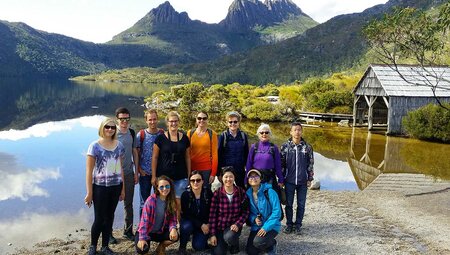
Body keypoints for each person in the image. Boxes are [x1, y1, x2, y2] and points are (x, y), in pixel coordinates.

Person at [85, 118, 125, 255]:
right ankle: (92, 246)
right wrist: (89, 193)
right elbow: (89, 172)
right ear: (102, 128)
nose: (110, 129)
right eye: (107, 127)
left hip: (115, 187)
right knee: (99, 218)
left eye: (113, 127)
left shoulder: (119, 145)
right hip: (100, 187)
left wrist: (123, 189)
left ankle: (105, 246)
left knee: (110, 217)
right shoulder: (94, 146)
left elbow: (120, 168)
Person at [152, 111, 190, 220]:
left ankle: (177, 226)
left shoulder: (184, 138)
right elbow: (154, 157)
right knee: (164, 202)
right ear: (167, 123)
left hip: (180, 176)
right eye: (171, 121)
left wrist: (188, 175)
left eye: (176, 121)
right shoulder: (160, 138)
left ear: (179, 122)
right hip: (164, 177)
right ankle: (164, 226)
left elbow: (187, 157)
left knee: (178, 203)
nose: (173, 123)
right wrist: (154, 176)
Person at [280, 122, 314, 235]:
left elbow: (310, 163)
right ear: (291, 132)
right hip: (289, 181)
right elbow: (282, 164)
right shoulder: (285, 147)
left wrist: (310, 178)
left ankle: (298, 224)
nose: (297, 132)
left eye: (299, 130)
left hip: (302, 181)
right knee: (288, 204)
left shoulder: (307, 147)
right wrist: (281, 179)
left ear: (301, 131)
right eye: (295, 130)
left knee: (301, 204)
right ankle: (289, 224)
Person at [209, 166, 249, 255]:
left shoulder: (240, 192)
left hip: (234, 226)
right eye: (226, 177)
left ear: (234, 177)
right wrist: (212, 234)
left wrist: (238, 224)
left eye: (231, 176)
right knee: (218, 253)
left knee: (230, 237)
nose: (228, 179)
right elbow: (212, 216)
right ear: (221, 178)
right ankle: (224, 241)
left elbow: (246, 211)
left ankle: (234, 243)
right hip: (220, 227)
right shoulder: (217, 193)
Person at [135, 175, 179, 255]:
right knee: (142, 250)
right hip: (148, 231)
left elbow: (173, 219)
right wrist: (142, 238)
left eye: (167, 186)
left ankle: (161, 246)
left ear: (170, 187)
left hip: (160, 231)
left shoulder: (172, 200)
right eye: (161, 187)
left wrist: (173, 228)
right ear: (157, 188)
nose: (165, 189)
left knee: (175, 237)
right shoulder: (150, 201)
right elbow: (144, 221)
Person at [114, 107, 139, 242]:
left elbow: (135, 151)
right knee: (110, 205)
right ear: (117, 119)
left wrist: (136, 172)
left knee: (128, 204)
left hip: (129, 173)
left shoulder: (131, 132)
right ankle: (109, 234)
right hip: (114, 175)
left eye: (127, 118)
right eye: (122, 119)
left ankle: (128, 231)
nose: (124, 121)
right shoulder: (111, 132)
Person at [245, 169, 281, 255]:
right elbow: (248, 212)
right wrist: (254, 219)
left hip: (271, 226)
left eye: (256, 176)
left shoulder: (270, 192)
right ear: (248, 179)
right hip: (256, 226)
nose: (253, 178)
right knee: (251, 251)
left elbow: (277, 212)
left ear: (261, 179)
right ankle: (263, 244)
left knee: (258, 242)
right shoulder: (248, 193)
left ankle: (272, 244)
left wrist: (266, 227)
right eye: (251, 176)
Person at [178, 171, 213, 255]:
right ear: (189, 182)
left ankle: (202, 240)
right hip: (191, 222)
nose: (195, 182)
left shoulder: (208, 193)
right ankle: (182, 247)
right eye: (192, 180)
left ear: (203, 181)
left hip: (204, 223)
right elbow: (186, 214)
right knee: (186, 227)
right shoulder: (185, 195)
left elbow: (213, 210)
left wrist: (209, 223)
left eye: (198, 180)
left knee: (198, 247)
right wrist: (201, 224)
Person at [136, 109, 163, 217]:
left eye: (154, 119)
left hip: (159, 174)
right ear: (146, 120)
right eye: (150, 120)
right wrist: (139, 170)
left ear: (157, 120)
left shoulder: (162, 134)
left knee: (160, 201)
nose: (152, 122)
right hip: (145, 174)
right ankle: (142, 228)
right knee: (144, 203)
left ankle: (157, 227)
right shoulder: (141, 135)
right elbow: (137, 154)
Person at [245, 123, 284, 191]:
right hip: (256, 179)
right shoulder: (253, 147)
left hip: (270, 179)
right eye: (262, 132)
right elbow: (249, 165)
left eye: (266, 132)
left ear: (270, 134)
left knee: (271, 199)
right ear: (258, 134)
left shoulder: (274, 148)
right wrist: (246, 179)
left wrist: (281, 180)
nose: (264, 134)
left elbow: (278, 165)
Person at [218, 111, 249, 189]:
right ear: (227, 123)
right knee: (227, 191)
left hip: (240, 169)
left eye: (235, 121)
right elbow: (219, 154)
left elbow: (246, 153)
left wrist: (247, 168)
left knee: (241, 190)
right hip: (226, 170)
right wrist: (218, 173)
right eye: (230, 122)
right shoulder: (223, 136)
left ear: (239, 123)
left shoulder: (243, 135)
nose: (233, 124)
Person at [187, 111, 218, 188]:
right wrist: (187, 171)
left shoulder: (212, 134)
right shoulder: (190, 133)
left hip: (206, 170)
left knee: (206, 193)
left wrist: (213, 174)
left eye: (204, 118)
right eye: (199, 118)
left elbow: (215, 155)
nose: (202, 120)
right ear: (196, 120)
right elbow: (187, 154)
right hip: (193, 169)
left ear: (207, 120)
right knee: (193, 192)